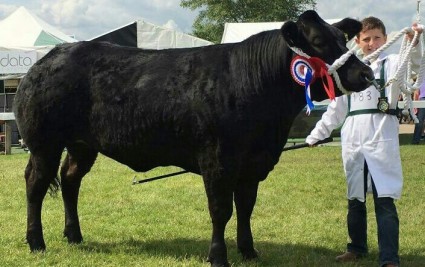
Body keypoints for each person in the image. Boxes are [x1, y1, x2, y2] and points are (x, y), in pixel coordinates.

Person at [305, 17, 423, 267]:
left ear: (386, 38)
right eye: (366, 39)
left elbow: (413, 72)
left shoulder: (391, 65)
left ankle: (389, 257)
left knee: (384, 201)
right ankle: (356, 247)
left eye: (377, 38)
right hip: (354, 142)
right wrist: (315, 134)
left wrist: (414, 44)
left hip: (381, 140)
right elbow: (335, 110)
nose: (372, 43)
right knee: (355, 198)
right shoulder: (346, 71)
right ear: (357, 41)